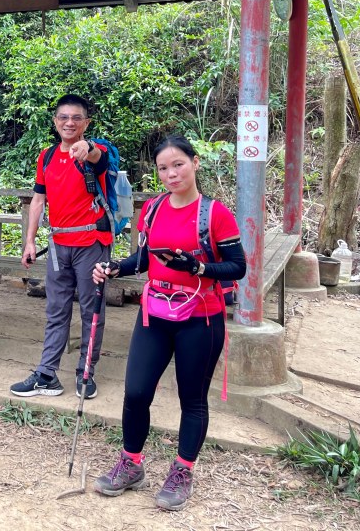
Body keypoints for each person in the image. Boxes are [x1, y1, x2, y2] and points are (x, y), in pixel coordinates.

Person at [91, 135, 246, 512]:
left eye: (178, 164)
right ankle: (131, 464)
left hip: (201, 318)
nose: (172, 173)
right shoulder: (154, 208)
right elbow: (144, 259)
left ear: (195, 163)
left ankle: (182, 471)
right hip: (155, 313)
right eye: (163, 168)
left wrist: (199, 268)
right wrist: (115, 267)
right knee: (136, 392)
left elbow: (237, 267)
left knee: (191, 399)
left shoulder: (215, 214)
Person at [9, 95, 113, 400]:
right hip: (58, 244)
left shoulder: (96, 150)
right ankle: (47, 374)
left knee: (92, 310)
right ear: (55, 121)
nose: (69, 123)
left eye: (76, 118)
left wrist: (87, 148)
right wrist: (30, 241)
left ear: (86, 123)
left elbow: (99, 158)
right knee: (56, 310)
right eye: (63, 117)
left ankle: (86, 371)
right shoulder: (47, 156)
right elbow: (38, 199)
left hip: (91, 243)